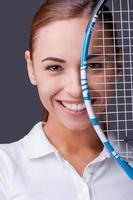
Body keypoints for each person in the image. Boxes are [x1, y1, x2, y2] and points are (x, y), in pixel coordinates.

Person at [0, 0, 133, 199]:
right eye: (54, 67)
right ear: (31, 68)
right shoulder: (4, 170)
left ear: (118, 65)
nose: (76, 89)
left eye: (94, 66)